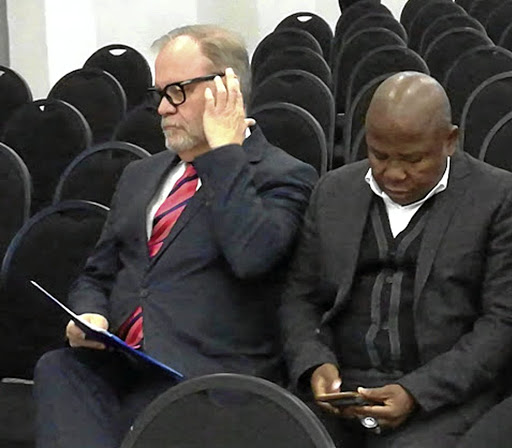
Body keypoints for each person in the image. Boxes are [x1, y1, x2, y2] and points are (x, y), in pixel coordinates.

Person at [34, 24, 317, 448]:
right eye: (159, 94)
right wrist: (90, 314)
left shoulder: (284, 175)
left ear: (226, 90)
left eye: (178, 92)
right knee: (58, 368)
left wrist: (225, 153)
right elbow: (97, 273)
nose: (164, 108)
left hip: (203, 378)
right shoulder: (140, 175)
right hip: (124, 362)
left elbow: (252, 256)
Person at [280, 71, 512, 447]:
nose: (394, 173)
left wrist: (416, 392)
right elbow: (300, 298)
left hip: (443, 398)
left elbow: (501, 324)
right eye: (379, 155)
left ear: (450, 140)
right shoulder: (333, 193)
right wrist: (313, 363)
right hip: (343, 393)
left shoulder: (497, 198)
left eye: (413, 159)